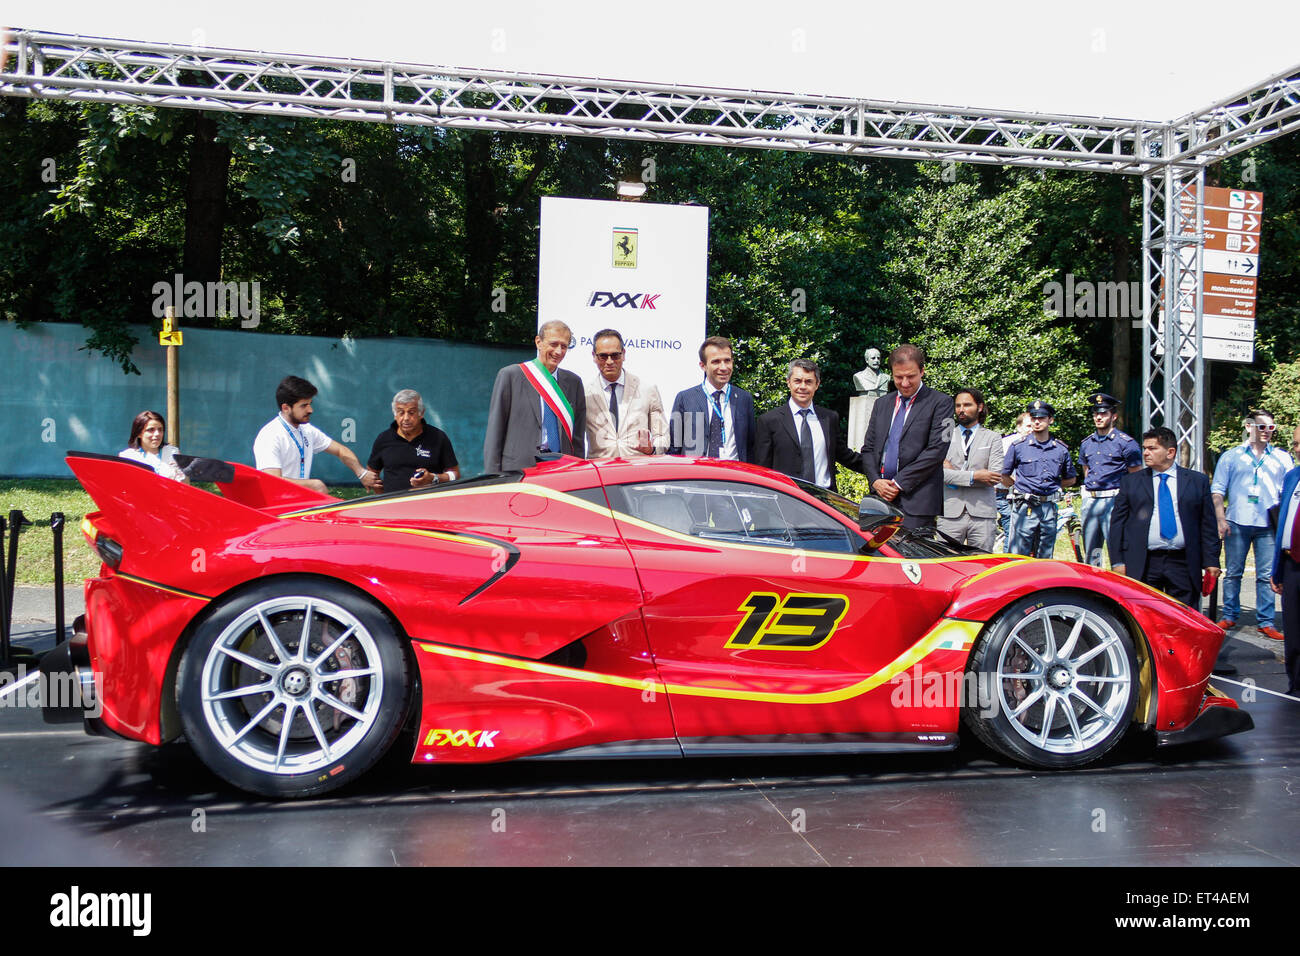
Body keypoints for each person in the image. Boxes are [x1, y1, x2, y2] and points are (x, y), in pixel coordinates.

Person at [1109, 426, 1220, 609]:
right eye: (1144, 448)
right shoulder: (1131, 482)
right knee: (1146, 615)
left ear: (1170, 452)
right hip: (1144, 562)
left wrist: (1211, 561)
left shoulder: (1196, 481)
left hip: (1183, 561)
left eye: (1152, 448)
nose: (1146, 453)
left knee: (1184, 616)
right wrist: (1118, 561)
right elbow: (1117, 524)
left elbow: (1207, 524)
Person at [1211, 409, 1293, 639]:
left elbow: (1289, 492)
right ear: (1249, 426)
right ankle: (1229, 615)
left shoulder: (1282, 457)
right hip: (1237, 520)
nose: (1267, 432)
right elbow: (1217, 490)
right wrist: (1220, 518)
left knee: (1266, 573)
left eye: (1271, 427)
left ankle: (1266, 621)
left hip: (1268, 523)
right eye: (1262, 427)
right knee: (1233, 571)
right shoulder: (1231, 456)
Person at [859, 344, 952, 531]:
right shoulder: (881, 404)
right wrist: (875, 481)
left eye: (911, 376)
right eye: (898, 377)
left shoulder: (942, 403)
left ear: (922, 371)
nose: (905, 383)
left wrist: (898, 483)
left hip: (918, 502)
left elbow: (937, 450)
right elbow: (868, 449)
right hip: (879, 499)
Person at [484, 320, 588, 472]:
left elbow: (578, 438)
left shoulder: (574, 382)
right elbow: (495, 431)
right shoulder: (511, 376)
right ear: (538, 342)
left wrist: (578, 473)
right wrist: (493, 477)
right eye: (553, 344)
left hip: (562, 470)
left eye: (564, 346)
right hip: (518, 470)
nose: (558, 351)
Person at [253, 375, 374, 495]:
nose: (311, 410)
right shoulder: (269, 435)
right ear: (286, 408)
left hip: (300, 503)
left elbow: (340, 450)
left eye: (310, 403)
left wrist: (361, 473)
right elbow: (272, 481)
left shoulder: (307, 430)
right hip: (278, 508)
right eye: (304, 405)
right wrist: (314, 485)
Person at [755, 358, 863, 491]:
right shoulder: (769, 421)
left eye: (808, 382)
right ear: (788, 383)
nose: (802, 387)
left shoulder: (829, 418)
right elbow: (762, 469)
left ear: (817, 384)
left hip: (824, 499)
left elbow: (844, 456)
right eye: (797, 381)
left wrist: (876, 471)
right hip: (787, 498)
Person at [1002, 400, 1077, 558]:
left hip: (1048, 507)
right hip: (1024, 506)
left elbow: (1070, 479)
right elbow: (1004, 475)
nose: (1037, 421)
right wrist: (1019, 487)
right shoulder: (1018, 447)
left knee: (1045, 555)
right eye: (1034, 417)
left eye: (1041, 418)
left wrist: (1054, 486)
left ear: (1050, 420)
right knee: (1018, 555)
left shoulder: (1060, 450)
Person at [1077, 392, 1142, 567]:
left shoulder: (1126, 443)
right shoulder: (1087, 443)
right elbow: (1087, 471)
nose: (1098, 417)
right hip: (1091, 500)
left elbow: (1136, 477)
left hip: (1114, 500)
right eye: (1096, 413)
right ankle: (1094, 586)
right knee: (1092, 551)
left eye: (1103, 413)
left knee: (1117, 550)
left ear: (1114, 416)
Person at [584, 329, 669, 458]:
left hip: (636, 472)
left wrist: (652, 449)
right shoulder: (585, 394)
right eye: (603, 356)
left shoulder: (647, 390)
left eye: (615, 355)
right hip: (599, 472)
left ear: (623, 354)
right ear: (594, 357)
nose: (609, 361)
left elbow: (663, 436)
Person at [668, 336, 755, 461]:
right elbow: (675, 447)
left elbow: (750, 446)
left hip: (735, 475)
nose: (724, 367)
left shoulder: (744, 399)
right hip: (696, 475)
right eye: (716, 362)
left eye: (727, 361)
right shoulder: (685, 398)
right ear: (703, 365)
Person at [937, 388, 1003, 550]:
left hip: (982, 514)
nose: (961, 410)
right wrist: (975, 476)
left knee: (981, 565)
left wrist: (954, 474)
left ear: (979, 407)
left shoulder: (992, 437)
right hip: (950, 512)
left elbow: (993, 477)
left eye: (967, 405)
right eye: (958, 405)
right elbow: (938, 473)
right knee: (945, 563)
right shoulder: (945, 435)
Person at [366, 389, 460, 493]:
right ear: (394, 414)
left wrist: (433, 478)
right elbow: (372, 475)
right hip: (393, 506)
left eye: (411, 412)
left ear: (421, 413)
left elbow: (455, 474)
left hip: (430, 504)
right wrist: (383, 499)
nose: (406, 418)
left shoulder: (438, 437)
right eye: (401, 412)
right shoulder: (383, 439)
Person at [1269, 423, 1300, 695]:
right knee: (1292, 630)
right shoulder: (1292, 476)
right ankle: (1295, 684)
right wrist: (1277, 570)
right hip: (1291, 563)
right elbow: (1284, 527)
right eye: (1295, 444)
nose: (1297, 449)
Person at [995, 412, 1033, 551]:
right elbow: (1001, 472)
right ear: (1018, 426)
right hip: (1004, 494)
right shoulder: (1008, 443)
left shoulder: (1036, 444)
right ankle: (1008, 563)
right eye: (1028, 425)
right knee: (1013, 532)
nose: (1031, 429)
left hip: (1022, 495)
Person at [119, 410, 188, 482]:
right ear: (139, 433)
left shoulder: (172, 452)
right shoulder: (128, 456)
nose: (157, 434)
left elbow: (184, 483)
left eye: (160, 429)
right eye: (151, 430)